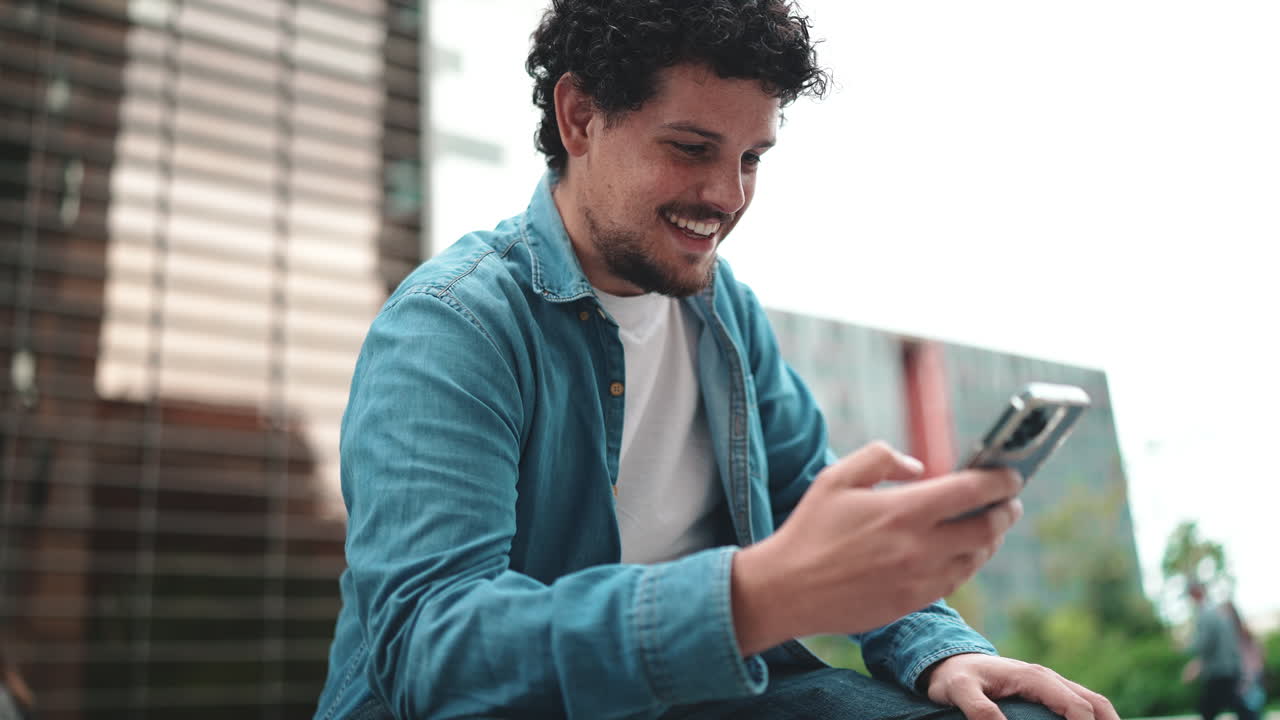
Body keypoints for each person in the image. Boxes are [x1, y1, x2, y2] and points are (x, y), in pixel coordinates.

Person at [314, 2, 1118, 718]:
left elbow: (807, 500)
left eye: (751, 158)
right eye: (693, 147)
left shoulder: (721, 310)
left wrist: (943, 647)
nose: (728, 195)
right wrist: (749, 600)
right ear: (580, 116)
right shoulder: (452, 325)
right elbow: (435, 653)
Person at [1182, 583, 1259, 720]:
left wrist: (1187, 647)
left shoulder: (1206, 613)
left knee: (1211, 707)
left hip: (1219, 669)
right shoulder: (1216, 611)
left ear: (1194, 594)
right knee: (1227, 703)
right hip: (1228, 667)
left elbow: (1205, 644)